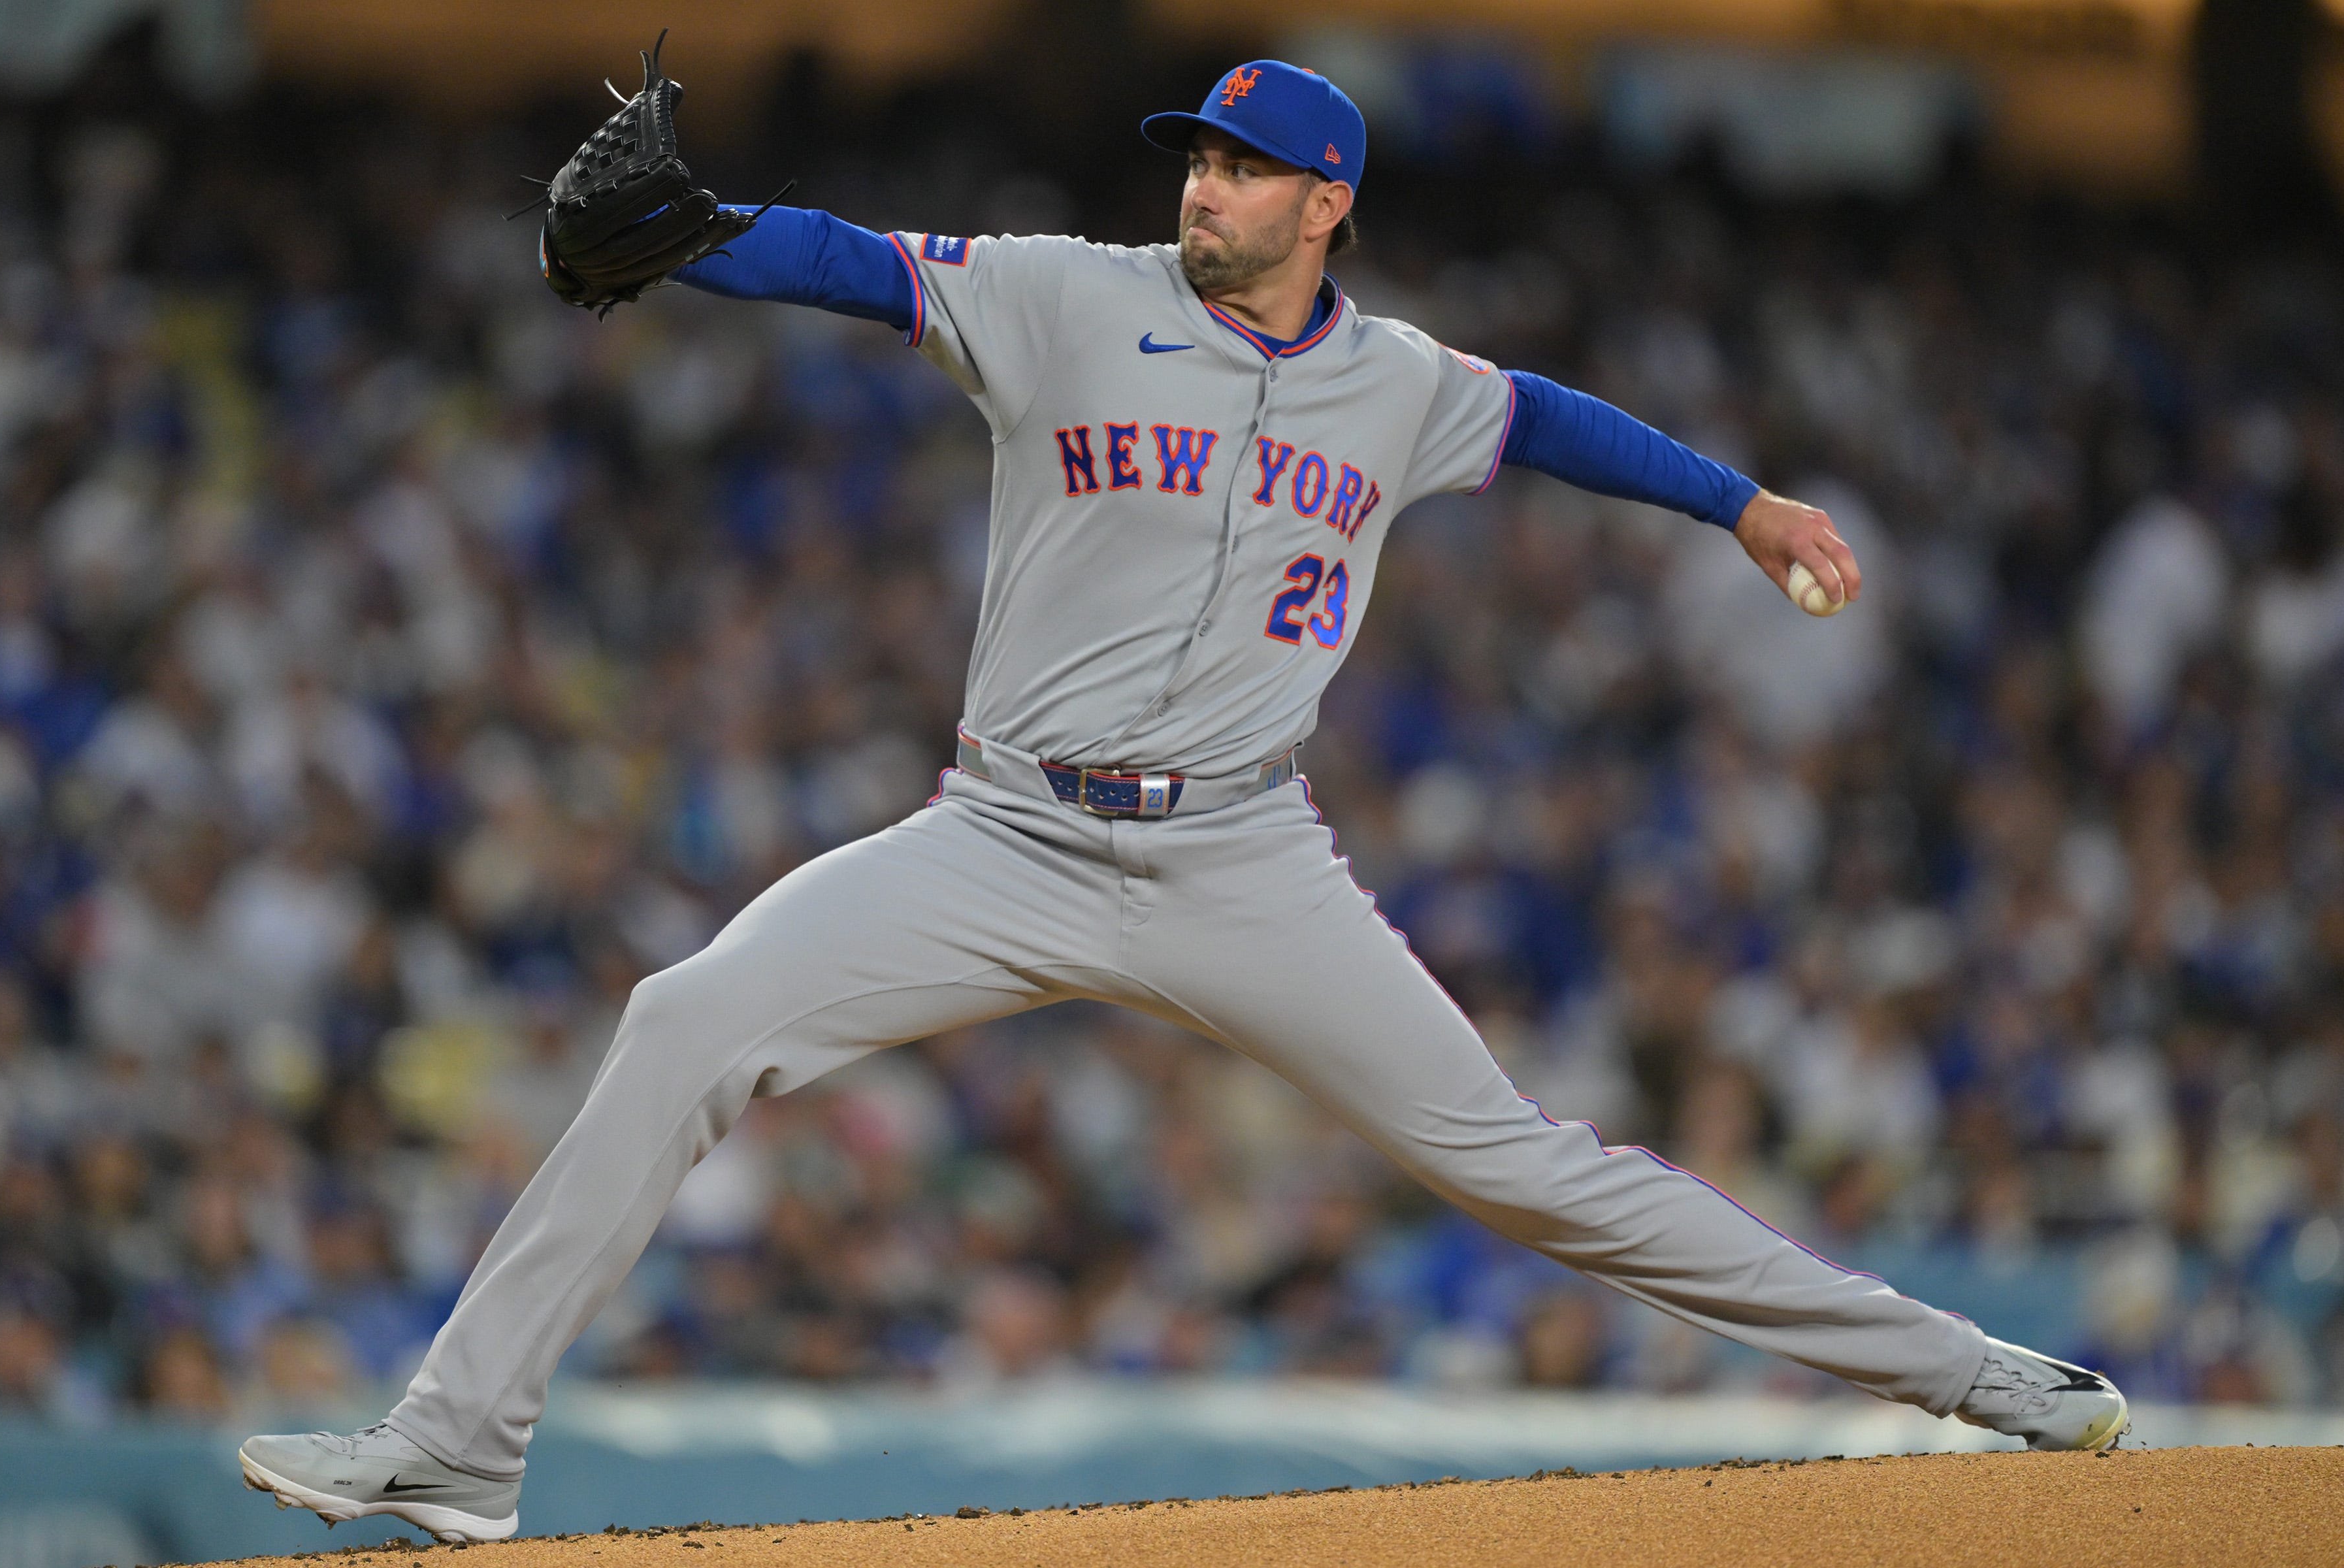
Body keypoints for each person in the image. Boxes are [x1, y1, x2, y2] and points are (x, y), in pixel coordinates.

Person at [238, 61, 2127, 1543]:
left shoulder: (1397, 383)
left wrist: (1741, 504)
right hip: (1003, 836)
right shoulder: (1067, 296)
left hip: (1242, 853)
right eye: (1198, 160)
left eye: (1242, 169)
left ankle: (1973, 1378)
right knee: (683, 1020)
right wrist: (701, 233)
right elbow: (853, 265)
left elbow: (1549, 417)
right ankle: (458, 1448)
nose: (1203, 188)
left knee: (1525, 1169)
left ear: (1328, 204)